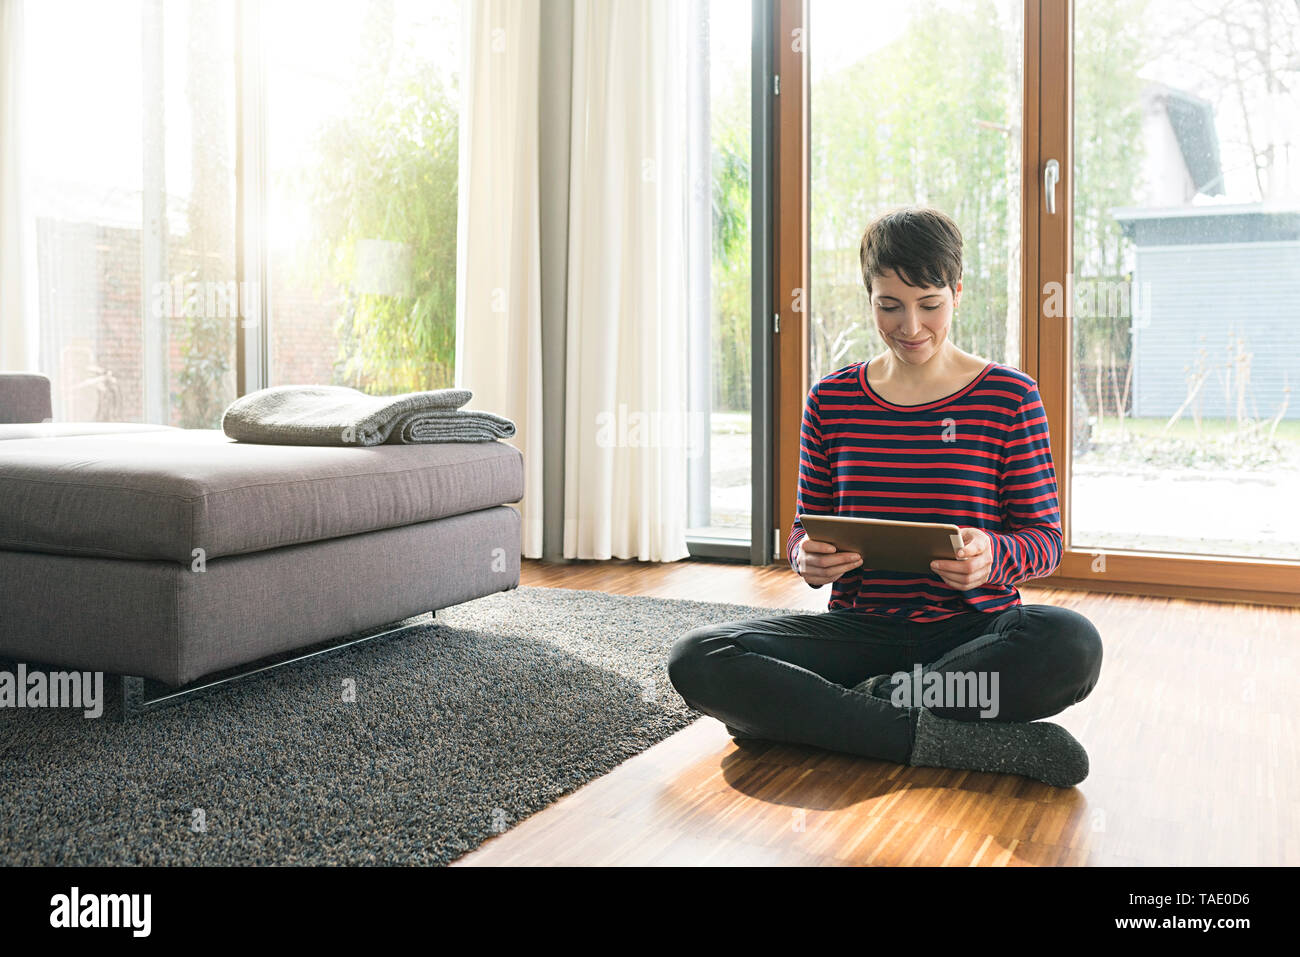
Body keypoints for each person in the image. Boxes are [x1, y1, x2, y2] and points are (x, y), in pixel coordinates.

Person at [667, 205, 1102, 788]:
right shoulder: (832, 399)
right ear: (868, 296)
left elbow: (1045, 541)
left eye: (930, 305)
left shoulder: (1008, 397)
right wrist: (806, 558)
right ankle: (933, 735)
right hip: (859, 633)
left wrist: (991, 556)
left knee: (1071, 644)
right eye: (889, 305)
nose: (911, 327)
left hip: (971, 637)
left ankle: (830, 714)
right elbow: (806, 529)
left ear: (957, 293)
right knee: (698, 658)